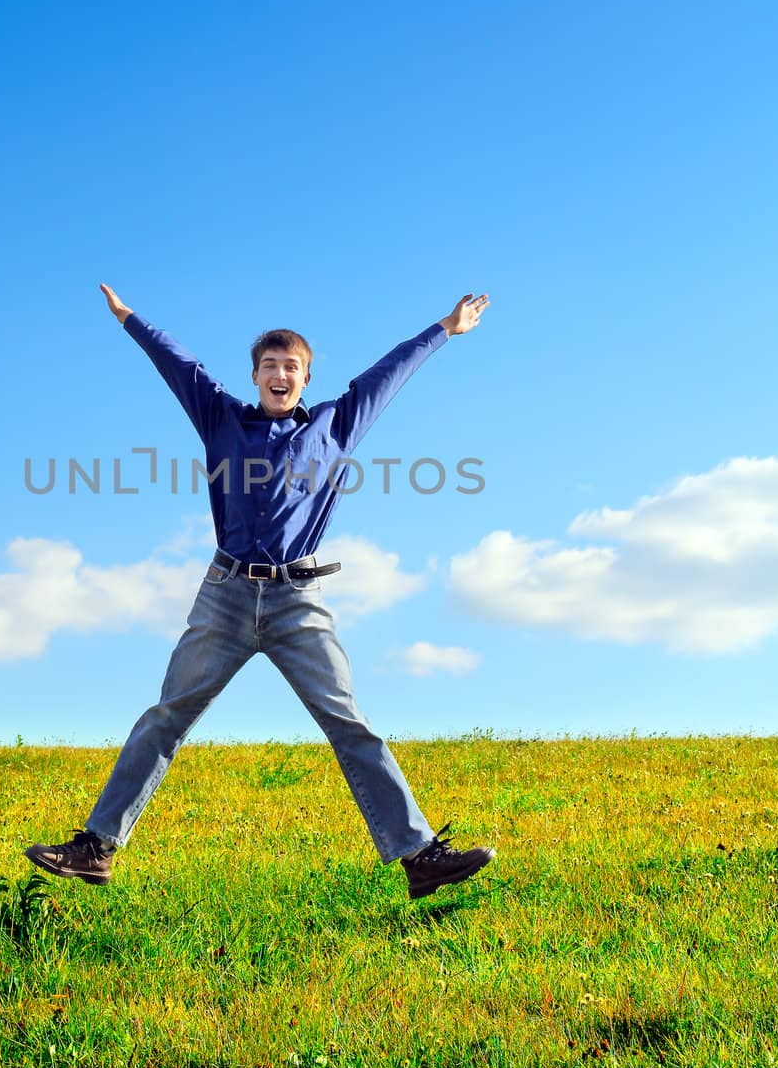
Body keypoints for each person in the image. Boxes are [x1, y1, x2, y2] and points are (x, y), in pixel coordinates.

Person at [25, 283, 496, 900]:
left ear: (306, 378)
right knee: (167, 715)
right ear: (255, 376)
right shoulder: (220, 418)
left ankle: (420, 855)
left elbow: (390, 372)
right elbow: (179, 366)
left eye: (292, 367)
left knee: (349, 723)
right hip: (224, 594)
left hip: (299, 600)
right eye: (270, 366)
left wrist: (444, 328)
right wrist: (130, 320)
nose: (281, 373)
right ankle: (96, 847)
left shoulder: (337, 423)